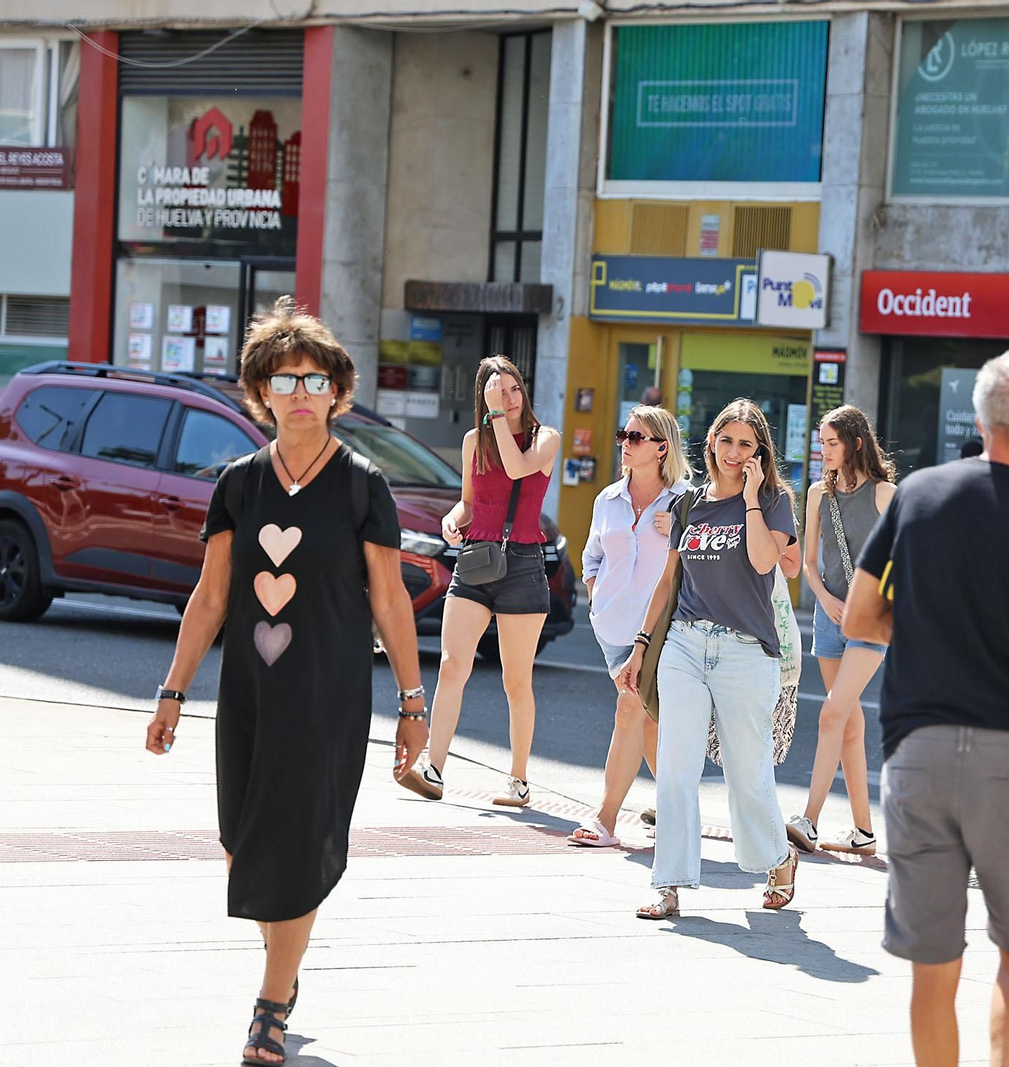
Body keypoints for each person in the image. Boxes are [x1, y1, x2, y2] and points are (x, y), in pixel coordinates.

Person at [144, 298, 428, 1066]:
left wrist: (412, 702)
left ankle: (270, 1003)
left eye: (314, 380)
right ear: (260, 393)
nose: (300, 393)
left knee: (296, 842)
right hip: (249, 694)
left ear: (338, 392)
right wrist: (173, 689)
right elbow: (211, 596)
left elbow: (390, 598)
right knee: (242, 844)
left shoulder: (363, 484)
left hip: (327, 696)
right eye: (284, 379)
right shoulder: (239, 483)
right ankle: (286, 964)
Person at [843, 347, 1009, 1067]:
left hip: (917, 753)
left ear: (983, 419)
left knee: (934, 963)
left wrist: (920, 627)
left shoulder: (919, 494)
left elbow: (861, 615)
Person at [620, 398, 800, 920]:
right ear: (710, 443)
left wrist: (748, 497)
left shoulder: (773, 501)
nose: (734, 452)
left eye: (747, 444)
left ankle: (777, 856)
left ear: (759, 453)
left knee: (747, 774)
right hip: (685, 644)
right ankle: (668, 882)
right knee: (676, 768)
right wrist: (641, 645)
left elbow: (766, 562)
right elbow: (668, 583)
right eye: (727, 441)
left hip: (747, 651)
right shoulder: (688, 506)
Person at [397, 357, 560, 808]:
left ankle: (519, 779)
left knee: (515, 681)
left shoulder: (545, 438)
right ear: (482, 396)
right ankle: (433, 767)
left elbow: (517, 469)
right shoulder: (475, 442)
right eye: (497, 391)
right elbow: (469, 502)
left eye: (513, 389)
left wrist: (497, 417)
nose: (508, 398)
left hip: (524, 564)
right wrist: (452, 519)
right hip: (476, 560)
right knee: (452, 666)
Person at [569, 406, 692, 847]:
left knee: (630, 708)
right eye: (624, 434)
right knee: (649, 724)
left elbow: (702, 564)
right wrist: (598, 595)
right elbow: (592, 556)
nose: (626, 442)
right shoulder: (607, 500)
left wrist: (678, 529)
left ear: (662, 447)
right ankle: (682, 809)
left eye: (636, 437)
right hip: (613, 629)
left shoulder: (685, 501)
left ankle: (605, 819)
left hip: (662, 629)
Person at [786, 405, 896, 856]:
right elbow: (808, 564)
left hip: (871, 620)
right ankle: (864, 832)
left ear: (854, 443)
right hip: (829, 620)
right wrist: (826, 598)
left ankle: (809, 821)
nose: (824, 450)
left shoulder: (886, 494)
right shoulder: (817, 494)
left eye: (832, 442)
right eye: (820, 442)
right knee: (847, 721)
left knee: (832, 713)